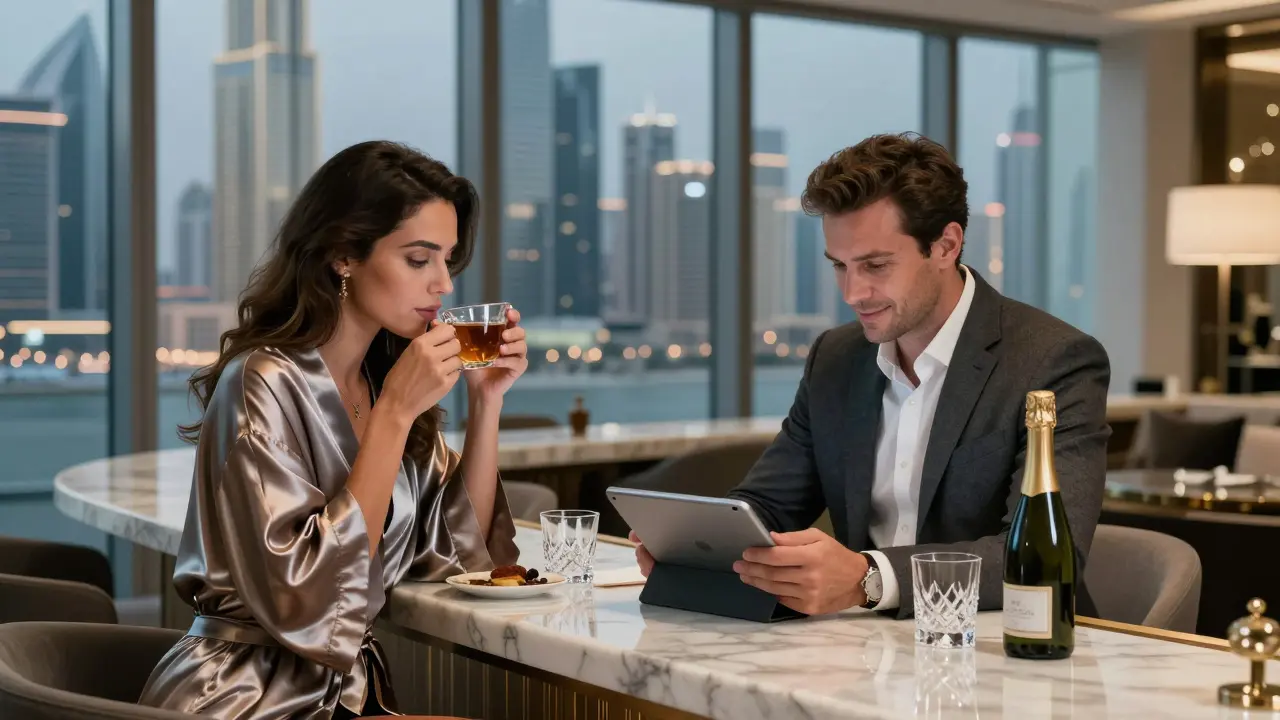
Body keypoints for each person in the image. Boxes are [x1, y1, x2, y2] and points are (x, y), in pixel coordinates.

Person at [631, 133, 1110, 619]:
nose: (853, 293)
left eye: (875, 266)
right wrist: (699, 551)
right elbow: (768, 506)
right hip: (865, 650)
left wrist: (870, 578)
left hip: (1009, 652)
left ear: (945, 245)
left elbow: (1045, 556)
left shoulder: (1053, 360)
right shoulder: (836, 358)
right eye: (840, 266)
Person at [138, 141, 527, 718]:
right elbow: (303, 596)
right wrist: (395, 414)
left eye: (448, 260)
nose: (443, 284)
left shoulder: (386, 382)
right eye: (419, 260)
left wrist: (486, 401)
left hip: (337, 697)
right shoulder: (262, 381)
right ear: (344, 255)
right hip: (245, 695)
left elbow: (457, 551)